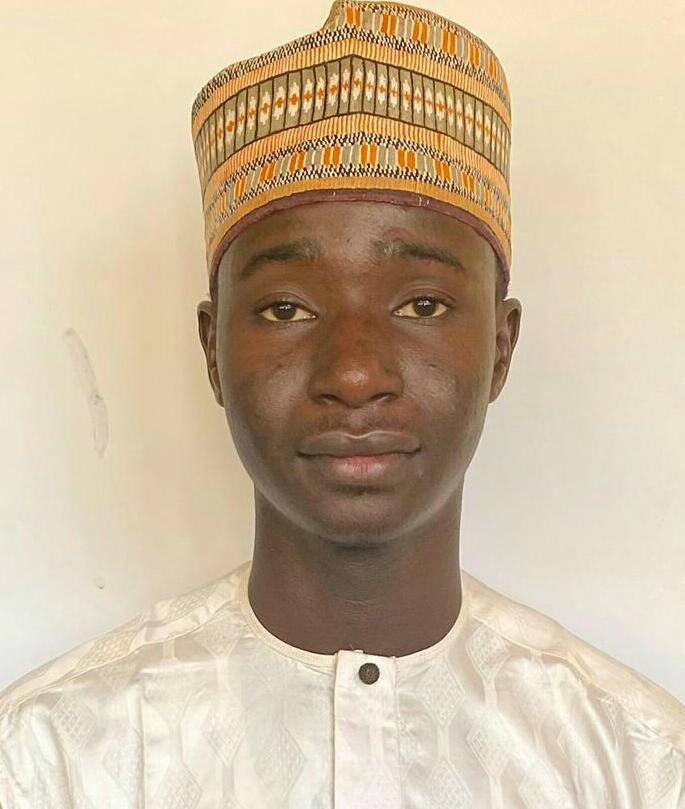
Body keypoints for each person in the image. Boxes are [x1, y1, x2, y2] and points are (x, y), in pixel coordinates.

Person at [1, 0, 684, 806]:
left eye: (421, 304)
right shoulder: (52, 761)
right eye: (286, 308)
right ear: (212, 349)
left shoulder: (637, 763)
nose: (354, 374)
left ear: (500, 346)